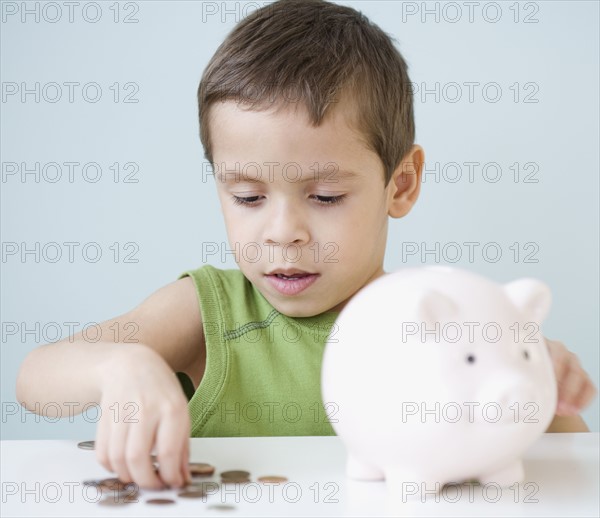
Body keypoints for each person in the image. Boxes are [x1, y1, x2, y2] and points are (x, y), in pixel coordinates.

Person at [15, 0, 596, 491]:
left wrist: (535, 379)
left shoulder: (450, 321)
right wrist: (122, 364)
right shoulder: (210, 312)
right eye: (247, 198)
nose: (281, 232)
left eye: (322, 197)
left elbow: (569, 469)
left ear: (401, 183)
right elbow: (36, 381)